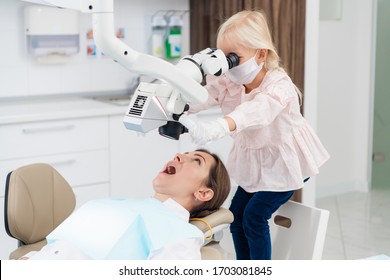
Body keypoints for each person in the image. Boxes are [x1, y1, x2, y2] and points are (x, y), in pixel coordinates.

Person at [187, 10, 330, 260]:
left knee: (254, 217)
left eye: (235, 58)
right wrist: (177, 107)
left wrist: (219, 126)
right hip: (256, 162)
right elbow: (204, 97)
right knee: (236, 218)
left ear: (260, 53)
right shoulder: (230, 80)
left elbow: (256, 111)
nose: (228, 66)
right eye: (225, 58)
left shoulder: (278, 87)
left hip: (287, 162)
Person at [19, 149, 231, 260]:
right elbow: (62, 248)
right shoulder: (124, 206)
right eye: (184, 152)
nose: (178, 155)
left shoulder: (180, 236)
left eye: (196, 160)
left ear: (203, 193)